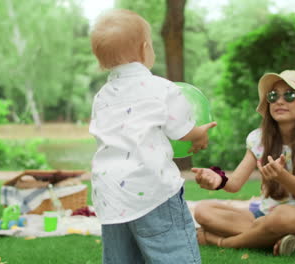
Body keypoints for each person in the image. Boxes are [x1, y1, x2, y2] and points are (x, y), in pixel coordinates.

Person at [89, 9, 216, 264]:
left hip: (110, 196)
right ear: (146, 49)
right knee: (173, 252)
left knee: (121, 259)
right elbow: (181, 130)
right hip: (151, 188)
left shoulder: (102, 97)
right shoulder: (162, 88)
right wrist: (198, 135)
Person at [192, 70, 295, 256]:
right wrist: (217, 179)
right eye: (273, 96)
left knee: (283, 216)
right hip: (265, 215)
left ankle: (223, 241)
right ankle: (275, 237)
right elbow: (234, 184)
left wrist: (282, 176)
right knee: (203, 211)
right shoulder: (258, 139)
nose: (279, 101)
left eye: (289, 95)